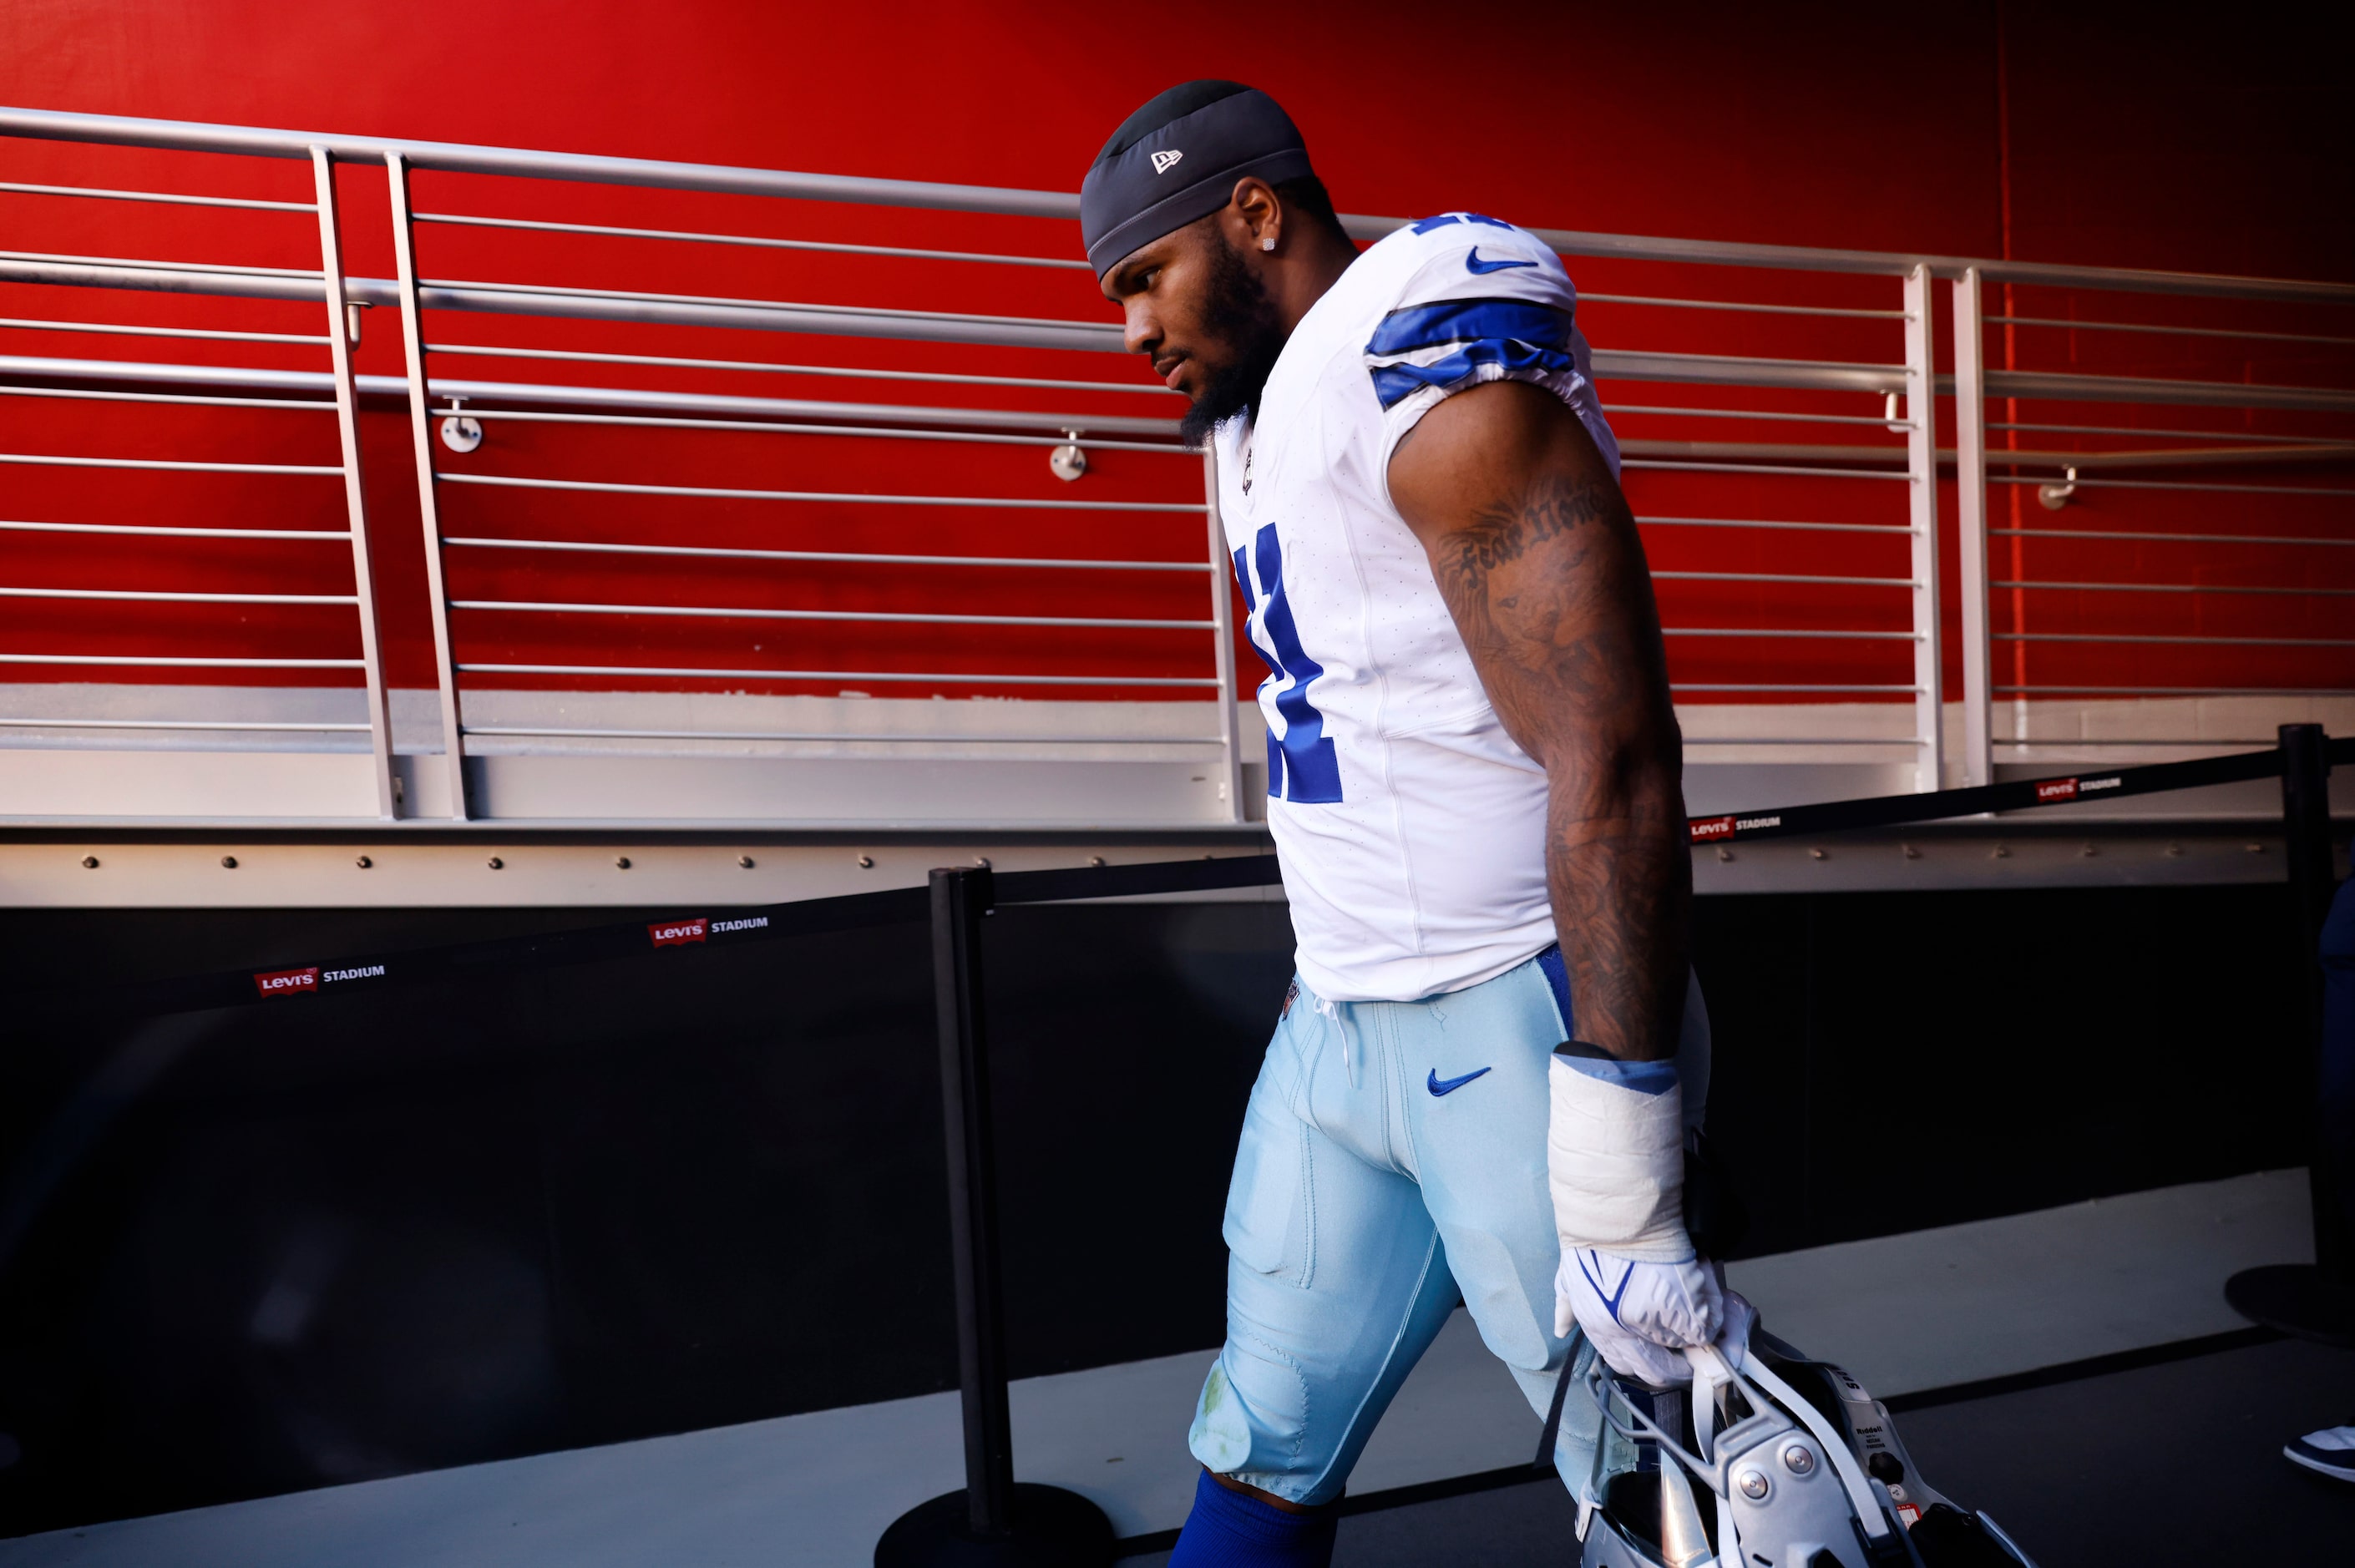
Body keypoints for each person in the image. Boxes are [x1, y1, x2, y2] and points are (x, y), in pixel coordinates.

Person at [1081, 82, 1725, 1563]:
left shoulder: (1416, 331)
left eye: (1143, 279)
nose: (1128, 330)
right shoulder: (1251, 418)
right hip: (1343, 1016)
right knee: (1259, 1435)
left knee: (1684, 1488)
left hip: (1514, 1010)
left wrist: (1621, 1126)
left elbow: (1612, 744)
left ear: (1256, 214)